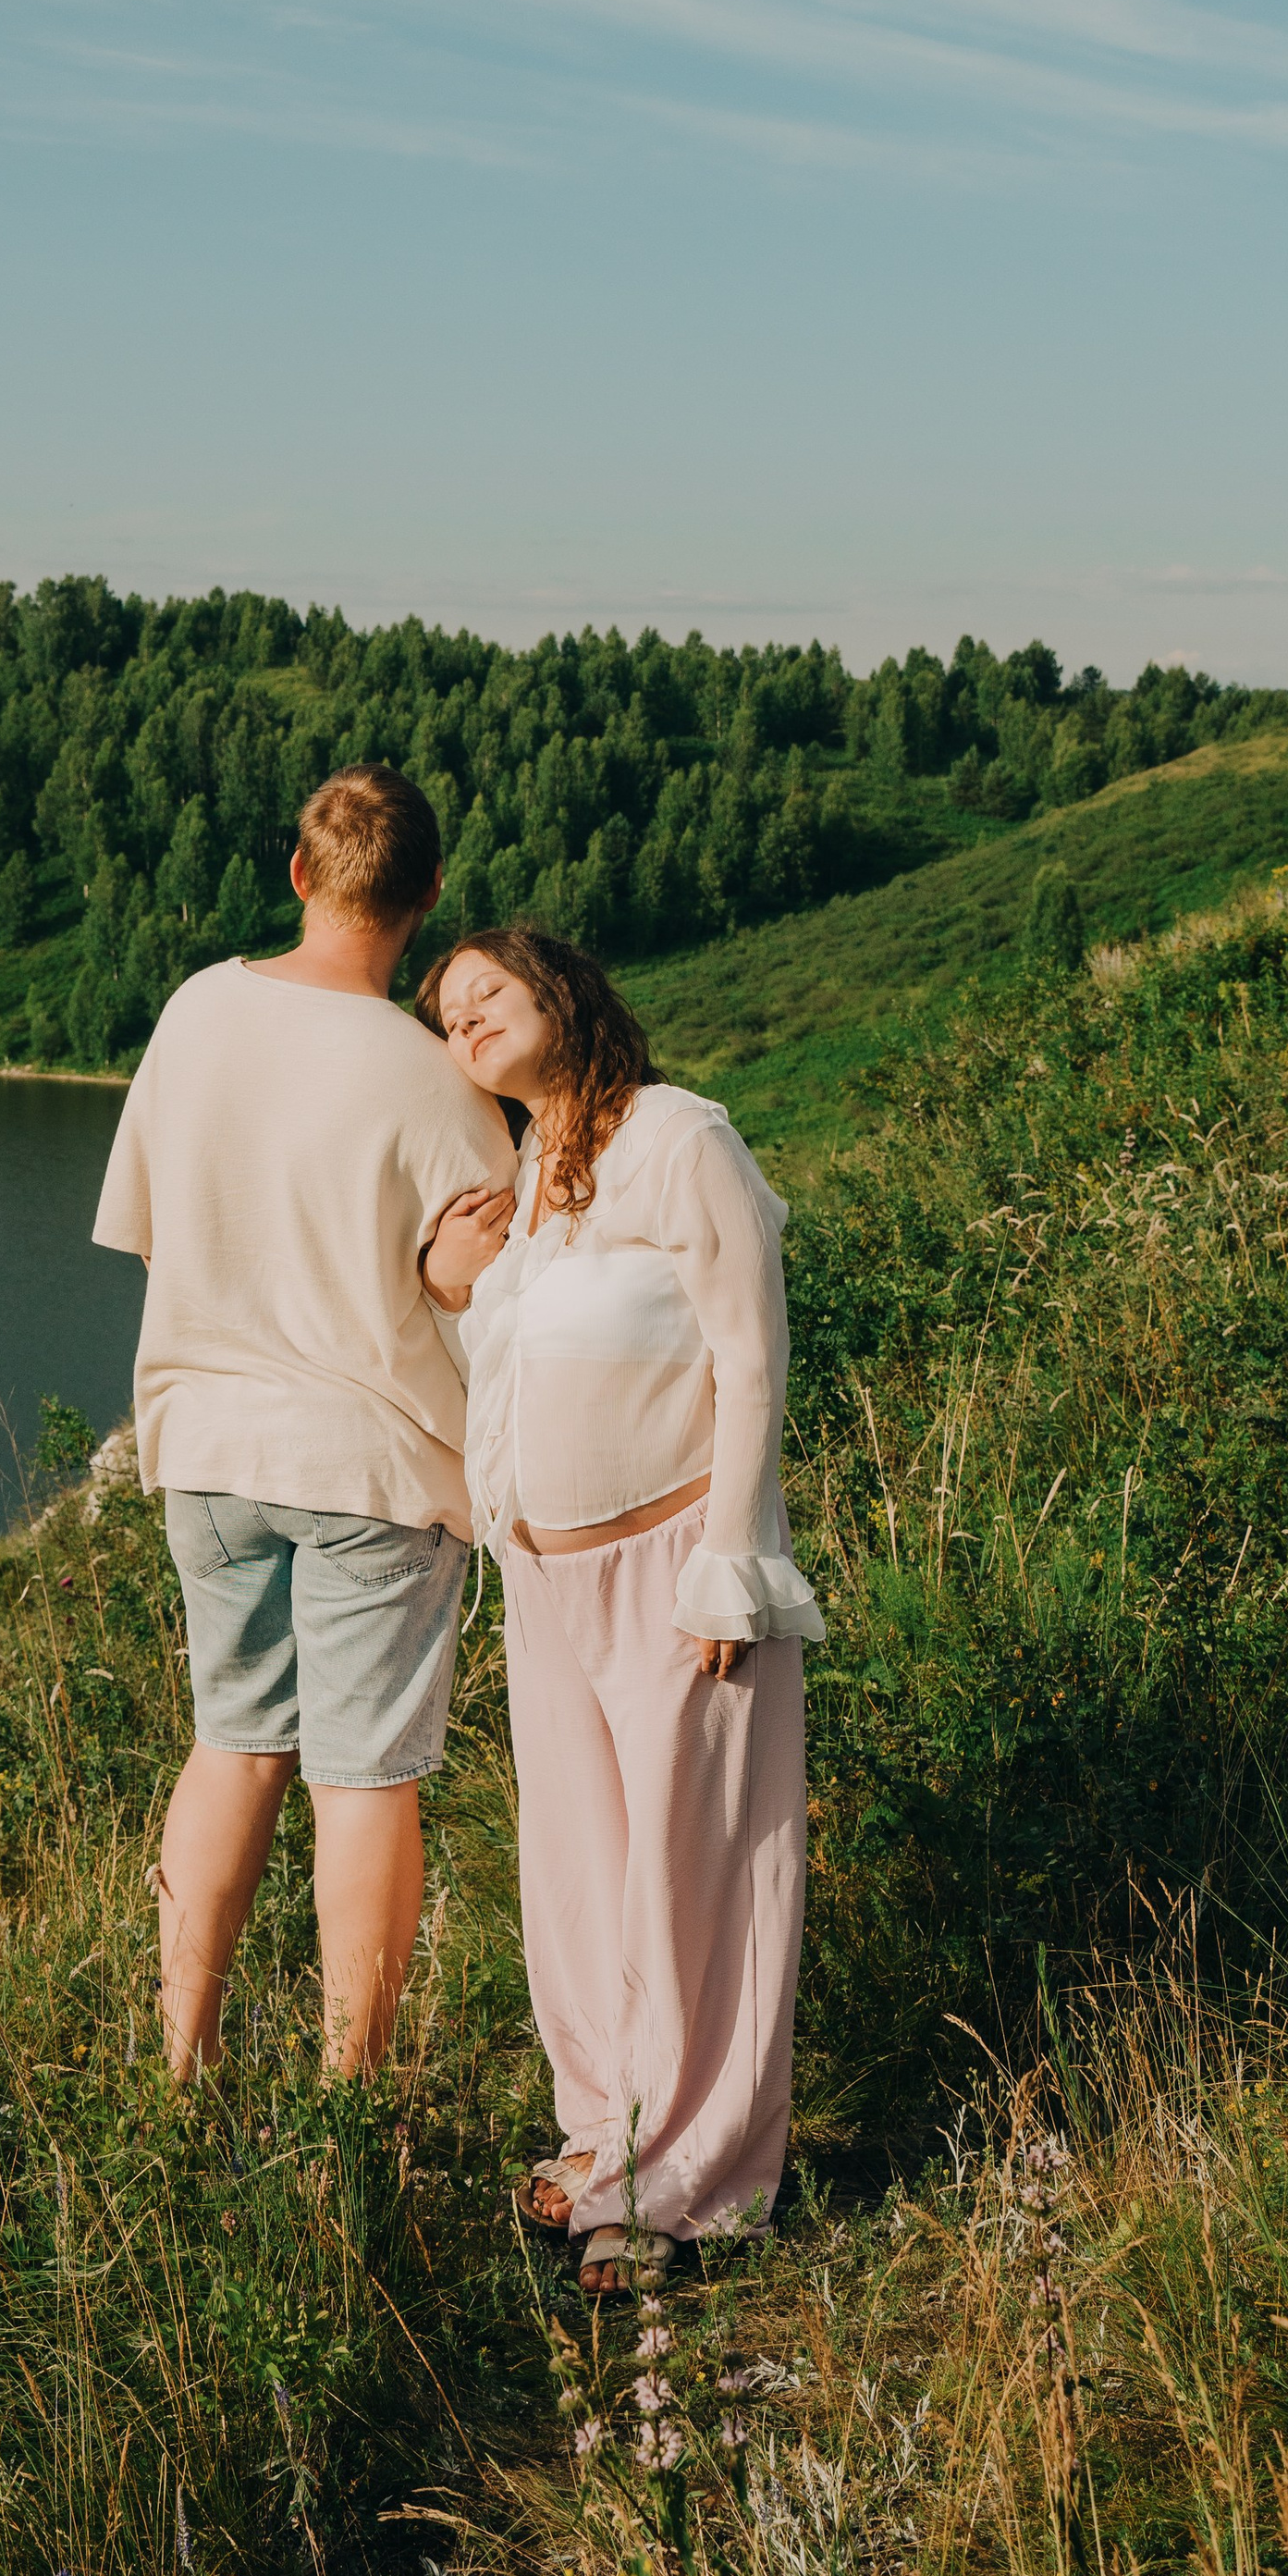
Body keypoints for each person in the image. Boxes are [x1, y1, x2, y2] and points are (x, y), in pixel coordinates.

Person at [416, 925, 822, 2294]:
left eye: (486, 994)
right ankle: (604, 2133)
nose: (461, 1020)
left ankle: (684, 2185)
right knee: (579, 1875)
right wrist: (449, 1286)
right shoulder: (528, 1181)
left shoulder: (677, 1137)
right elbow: (528, 1362)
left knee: (689, 1876)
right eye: (445, 1013)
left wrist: (733, 1559)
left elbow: (752, 1360)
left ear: (563, 995)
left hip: (671, 1570)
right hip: (546, 1579)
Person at [92, 766, 515, 2081]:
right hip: (371, 1466)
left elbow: (150, 1237)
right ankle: (349, 2094)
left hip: (208, 1448)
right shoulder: (440, 1080)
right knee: (365, 1781)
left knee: (230, 1749)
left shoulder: (198, 1011)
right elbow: (490, 1296)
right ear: (429, 897)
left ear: (297, 874)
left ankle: (181, 2062)